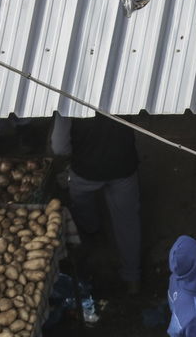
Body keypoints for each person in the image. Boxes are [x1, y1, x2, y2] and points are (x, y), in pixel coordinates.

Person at [50, 114, 142, 295]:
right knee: (127, 222)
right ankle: (133, 279)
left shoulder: (67, 98)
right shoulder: (127, 89)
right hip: (123, 166)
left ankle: (92, 230)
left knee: (82, 203)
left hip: (86, 171)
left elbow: (59, 147)